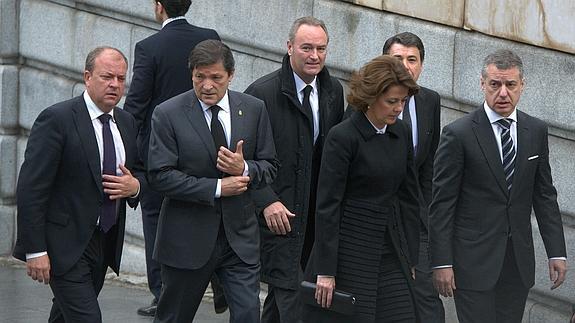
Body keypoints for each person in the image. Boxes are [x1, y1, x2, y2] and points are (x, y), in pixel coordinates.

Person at [429, 49, 567, 323]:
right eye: (495, 84)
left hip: (517, 264)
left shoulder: (536, 130)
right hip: (472, 263)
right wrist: (442, 261)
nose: (503, 93)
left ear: (522, 86)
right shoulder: (458, 134)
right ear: (482, 84)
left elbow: (545, 197)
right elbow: (442, 204)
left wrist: (557, 252)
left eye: (510, 85)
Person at [147, 39, 278, 322]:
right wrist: (218, 188)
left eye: (216, 77)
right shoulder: (168, 113)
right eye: (200, 77)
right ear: (191, 74)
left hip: (239, 241)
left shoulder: (254, 109)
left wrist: (244, 168)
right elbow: (160, 175)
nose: (207, 85)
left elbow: (270, 167)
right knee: (174, 317)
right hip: (187, 241)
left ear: (231, 75)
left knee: (247, 315)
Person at [12, 46, 142, 322]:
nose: (115, 85)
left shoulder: (127, 123)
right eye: (107, 77)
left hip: (103, 242)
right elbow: (31, 189)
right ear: (87, 77)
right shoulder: (57, 119)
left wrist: (135, 186)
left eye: (121, 78)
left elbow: (141, 172)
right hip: (64, 244)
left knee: (64, 316)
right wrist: (36, 250)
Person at [304, 55, 421, 323]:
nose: (399, 108)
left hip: (390, 248)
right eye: (392, 101)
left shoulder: (400, 132)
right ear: (370, 96)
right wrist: (326, 270)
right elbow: (328, 206)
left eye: (403, 101)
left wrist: (411, 256)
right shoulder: (343, 137)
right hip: (349, 250)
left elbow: (410, 198)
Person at [122, 0, 221, 316]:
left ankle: (161, 293)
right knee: (209, 213)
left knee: (155, 219)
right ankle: (218, 285)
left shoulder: (149, 47)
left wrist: (121, 148)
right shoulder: (210, 36)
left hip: (159, 151)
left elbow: (136, 105)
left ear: (158, 6)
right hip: (205, 146)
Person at [244, 16, 344, 323]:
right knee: (293, 300)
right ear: (289, 48)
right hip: (279, 218)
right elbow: (242, 161)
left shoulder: (332, 92)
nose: (315, 56)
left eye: (321, 49)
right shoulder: (261, 94)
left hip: (315, 220)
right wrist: (266, 200)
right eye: (307, 48)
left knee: (283, 298)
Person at [382, 32, 443, 322]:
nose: (406, 66)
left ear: (421, 65)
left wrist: (427, 216)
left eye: (412, 59)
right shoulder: (366, 102)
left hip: (414, 220)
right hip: (376, 218)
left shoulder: (430, 101)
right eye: (397, 59)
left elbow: (429, 166)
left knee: (426, 296)